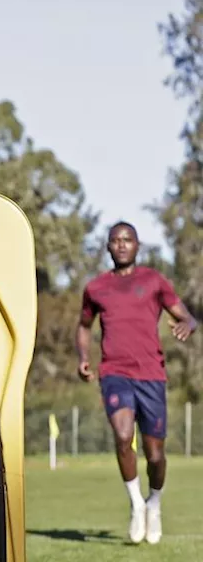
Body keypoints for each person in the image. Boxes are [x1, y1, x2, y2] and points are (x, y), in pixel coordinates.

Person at [76, 221, 195, 545]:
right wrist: (83, 356)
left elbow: (185, 315)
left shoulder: (154, 281)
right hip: (115, 372)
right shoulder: (96, 288)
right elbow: (84, 326)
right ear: (108, 247)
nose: (122, 245)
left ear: (138, 245)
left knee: (154, 454)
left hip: (151, 374)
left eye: (128, 240)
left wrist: (189, 323)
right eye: (115, 240)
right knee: (123, 434)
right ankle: (135, 503)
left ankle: (154, 503)